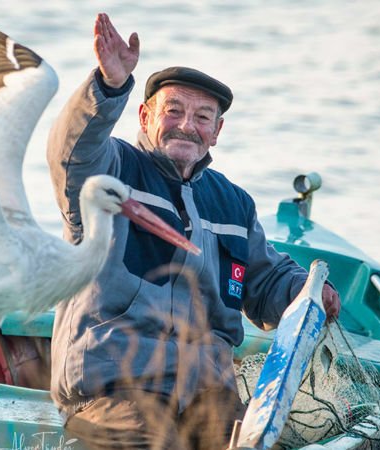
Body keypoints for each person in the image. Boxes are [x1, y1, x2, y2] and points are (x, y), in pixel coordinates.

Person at [47, 12, 341, 450]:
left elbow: (265, 280)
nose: (188, 125)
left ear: (217, 132)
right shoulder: (113, 170)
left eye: (203, 116)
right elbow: (72, 152)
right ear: (145, 116)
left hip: (208, 396)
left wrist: (307, 292)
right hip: (115, 391)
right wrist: (108, 87)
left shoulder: (233, 202)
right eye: (174, 111)